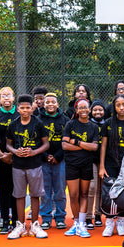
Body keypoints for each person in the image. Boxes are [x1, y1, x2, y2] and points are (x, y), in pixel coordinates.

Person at [6, 94, 50, 240]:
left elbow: (46, 144)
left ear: (32, 108)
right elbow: (8, 144)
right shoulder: (13, 125)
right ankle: (20, 225)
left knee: (35, 194)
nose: (25, 110)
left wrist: (34, 152)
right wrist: (15, 151)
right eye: (22, 108)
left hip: (35, 164)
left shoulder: (38, 123)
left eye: (28, 108)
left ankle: (35, 225)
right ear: (17, 109)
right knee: (19, 195)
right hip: (18, 165)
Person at [99, 94, 124, 237]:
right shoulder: (108, 123)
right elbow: (103, 146)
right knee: (109, 192)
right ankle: (109, 222)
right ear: (114, 107)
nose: (121, 107)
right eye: (118, 105)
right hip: (110, 163)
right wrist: (102, 166)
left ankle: (121, 221)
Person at [62, 98, 99, 238]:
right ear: (76, 110)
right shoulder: (70, 124)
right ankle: (76, 223)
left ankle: (82, 224)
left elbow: (94, 147)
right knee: (73, 195)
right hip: (72, 164)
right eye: (80, 108)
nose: (83, 110)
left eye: (86, 107)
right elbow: (65, 145)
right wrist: (84, 147)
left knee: (84, 194)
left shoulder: (94, 127)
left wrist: (76, 142)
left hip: (86, 164)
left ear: (89, 109)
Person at [0, 87, 20, 234]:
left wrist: (12, 154)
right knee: (2, 190)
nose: (6, 97)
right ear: (0, 98)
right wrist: (2, 154)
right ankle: (5, 220)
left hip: (16, 158)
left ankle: (15, 220)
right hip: (0, 158)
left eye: (9, 95)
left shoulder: (19, 114)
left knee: (15, 189)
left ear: (13, 98)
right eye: (3, 95)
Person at [38, 93, 69, 230]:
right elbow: (36, 141)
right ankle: (45, 217)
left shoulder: (65, 120)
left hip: (60, 159)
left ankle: (60, 217)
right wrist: (46, 156)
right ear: (44, 105)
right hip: (43, 159)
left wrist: (57, 156)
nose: (50, 104)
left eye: (53, 102)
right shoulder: (37, 120)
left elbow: (67, 140)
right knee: (45, 190)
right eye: (47, 102)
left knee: (60, 189)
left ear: (57, 104)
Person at [87, 99, 106, 228]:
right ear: (91, 111)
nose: (98, 112)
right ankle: (88, 217)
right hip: (91, 159)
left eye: (100, 109)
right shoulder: (88, 124)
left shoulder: (107, 124)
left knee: (101, 188)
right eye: (95, 110)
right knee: (92, 188)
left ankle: (98, 214)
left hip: (104, 160)